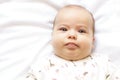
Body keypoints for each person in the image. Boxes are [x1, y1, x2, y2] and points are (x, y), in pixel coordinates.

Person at [21, 5, 120, 80]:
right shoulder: (42, 65)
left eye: (81, 31)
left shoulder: (102, 63)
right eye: (64, 29)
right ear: (52, 37)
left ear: (92, 40)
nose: (72, 35)